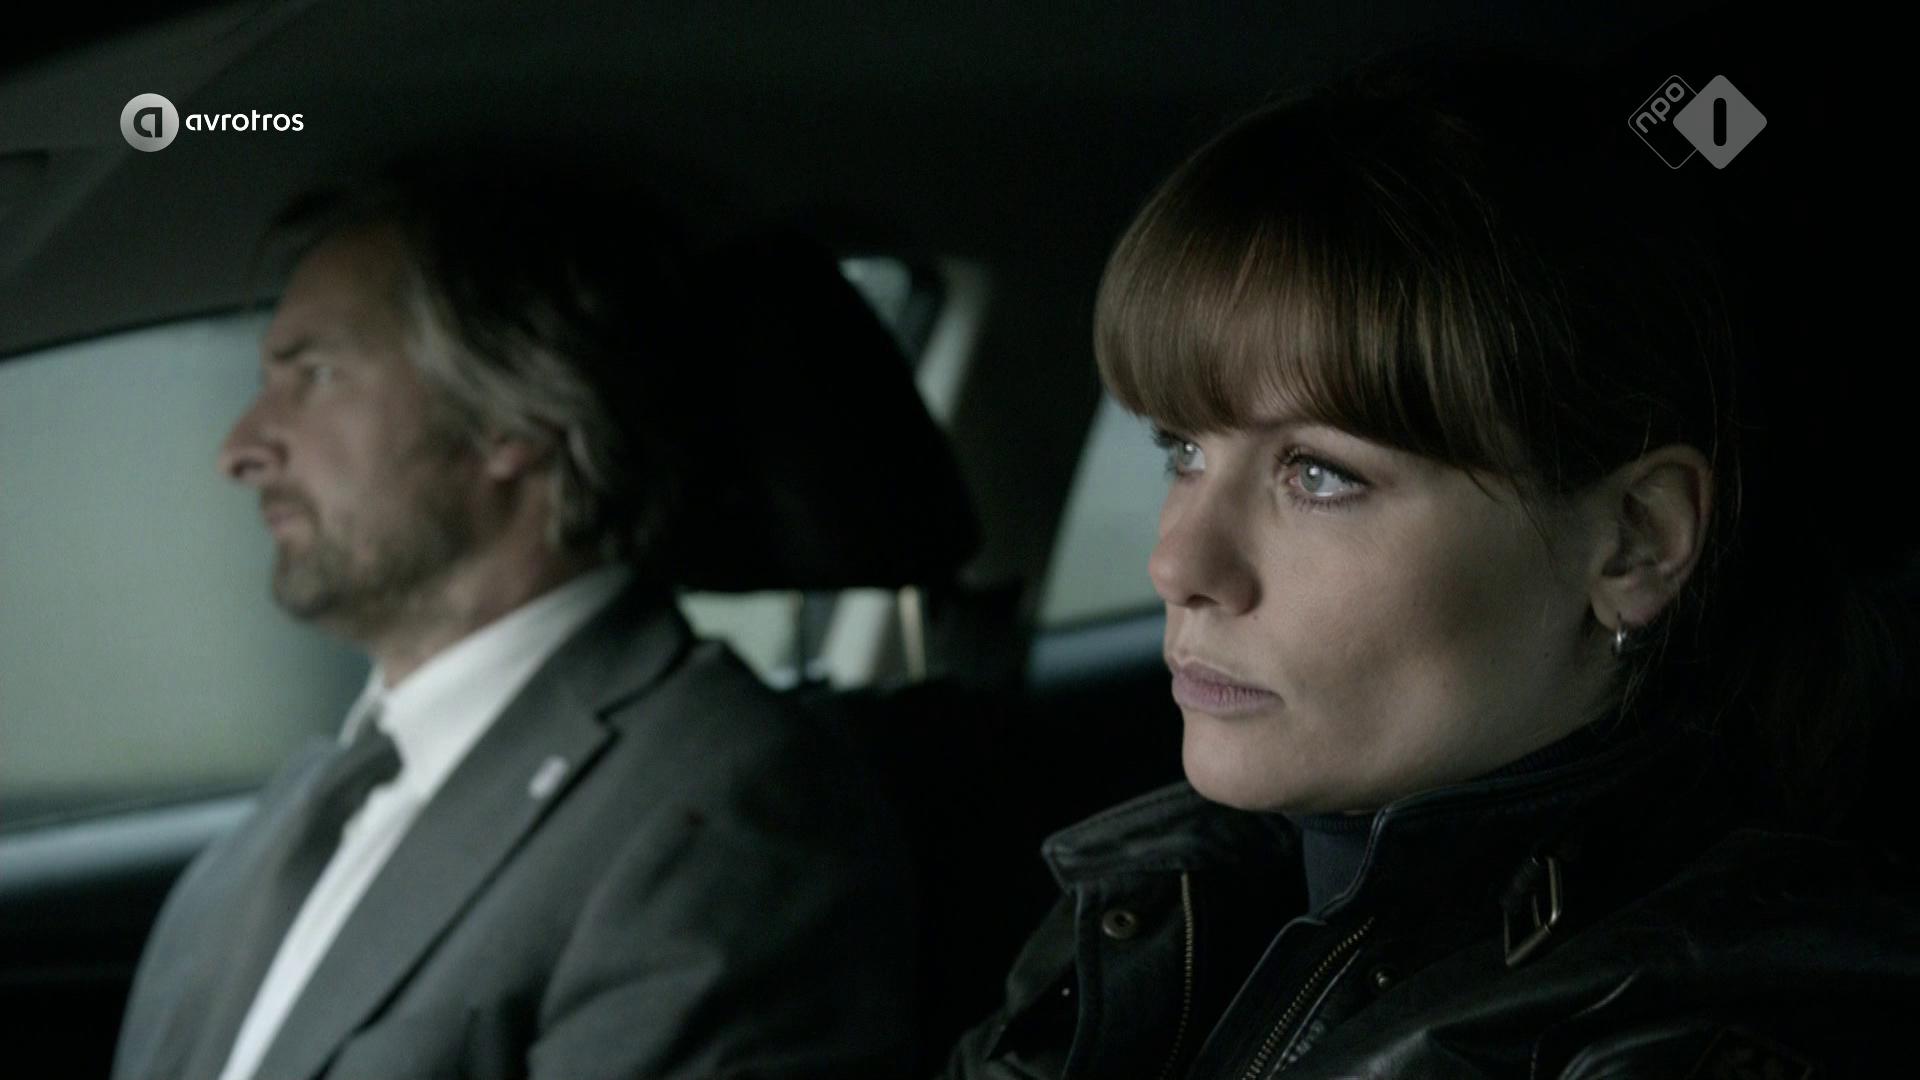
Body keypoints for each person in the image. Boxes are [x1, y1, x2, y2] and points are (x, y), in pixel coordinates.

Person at [944, 59, 1918, 1079]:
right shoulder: (1160, 908)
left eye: (1319, 474)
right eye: (1183, 450)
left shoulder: (1715, 1030)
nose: (1176, 561)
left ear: (1635, 541)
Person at [111, 166, 915, 1080]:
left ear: (511, 422)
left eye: (317, 377)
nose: (239, 449)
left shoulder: (729, 811)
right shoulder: (300, 811)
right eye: (268, 381)